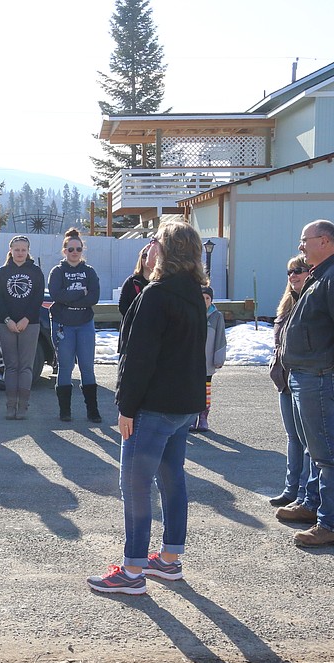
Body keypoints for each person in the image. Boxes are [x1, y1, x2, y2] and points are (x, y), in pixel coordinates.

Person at [88, 220, 207, 596]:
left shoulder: (157, 294)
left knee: (135, 485)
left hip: (154, 407)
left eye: (155, 241)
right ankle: (169, 561)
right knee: (172, 479)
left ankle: (133, 570)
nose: (150, 246)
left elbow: (138, 359)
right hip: (182, 405)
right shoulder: (194, 292)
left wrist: (125, 406)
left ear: (165, 250)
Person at [277, 220, 334, 547]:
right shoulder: (320, 275)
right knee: (315, 450)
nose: (301, 246)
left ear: (324, 241)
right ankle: (311, 505)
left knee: (327, 454)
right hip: (304, 374)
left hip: (319, 377)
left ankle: (330, 523)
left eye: (305, 240)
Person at [268, 254, 312, 508]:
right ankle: (290, 489)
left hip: (304, 379)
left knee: (307, 440)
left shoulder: (312, 301)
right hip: (284, 381)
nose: (293, 275)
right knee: (293, 437)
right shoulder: (287, 303)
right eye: (290, 272)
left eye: (299, 270)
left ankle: (306, 493)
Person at [48, 229, 102, 423]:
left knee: (87, 367)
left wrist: (69, 299)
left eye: (78, 248)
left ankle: (93, 411)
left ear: (82, 250)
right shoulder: (58, 271)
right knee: (65, 367)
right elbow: (56, 295)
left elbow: (94, 298)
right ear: (65, 251)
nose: (74, 252)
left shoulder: (89, 271)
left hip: (85, 325)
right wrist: (81, 295)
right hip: (64, 326)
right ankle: (65, 411)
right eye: (70, 249)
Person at [0, 235, 45, 420]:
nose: (20, 253)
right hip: (7, 325)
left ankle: (23, 406)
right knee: (11, 366)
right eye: (17, 249)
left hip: (30, 325)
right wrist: (8, 320)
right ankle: (10, 405)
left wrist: (26, 319)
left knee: (26, 367)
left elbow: (38, 298)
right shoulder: (2, 272)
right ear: (11, 250)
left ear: (28, 251)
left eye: (23, 249)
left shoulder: (36, 272)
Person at [191, 285, 227, 432]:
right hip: (192, 361)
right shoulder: (192, 313)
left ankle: (204, 416)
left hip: (207, 361)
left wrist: (219, 358)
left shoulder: (216, 316)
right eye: (202, 298)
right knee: (192, 388)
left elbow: (220, 338)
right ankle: (191, 417)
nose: (204, 301)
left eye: (207, 298)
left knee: (205, 390)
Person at [118, 245, 155, 320]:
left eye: (150, 255)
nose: (147, 258)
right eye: (144, 256)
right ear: (140, 259)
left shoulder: (162, 281)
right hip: (133, 324)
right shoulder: (131, 281)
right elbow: (122, 305)